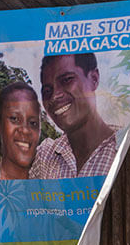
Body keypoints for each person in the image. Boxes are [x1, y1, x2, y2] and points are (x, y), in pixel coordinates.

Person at [29, 52, 119, 180]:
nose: (55, 96)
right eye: (47, 91)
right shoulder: (46, 156)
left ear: (94, 79)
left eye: (66, 80)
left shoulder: (123, 148)